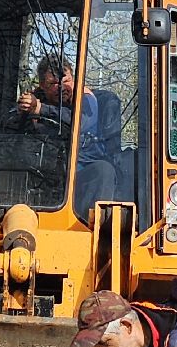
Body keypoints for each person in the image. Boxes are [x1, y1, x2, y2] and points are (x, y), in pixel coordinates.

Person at [16, 55, 119, 222]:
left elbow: (77, 122)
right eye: (53, 84)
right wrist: (23, 109)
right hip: (44, 169)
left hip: (80, 171)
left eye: (66, 81)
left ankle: (87, 224)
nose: (61, 87)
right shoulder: (36, 97)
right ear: (42, 85)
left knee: (104, 170)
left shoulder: (86, 99)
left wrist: (41, 109)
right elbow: (11, 124)